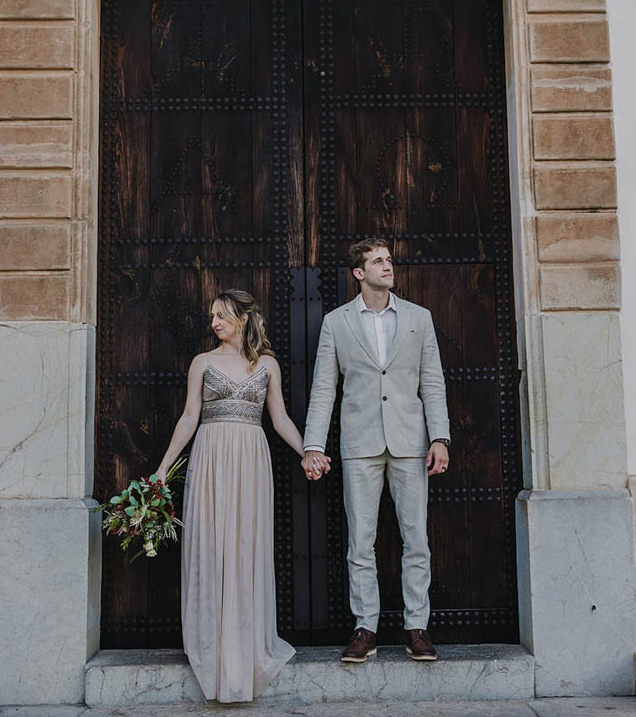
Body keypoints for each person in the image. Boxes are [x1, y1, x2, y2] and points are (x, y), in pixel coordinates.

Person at [153, 289, 328, 702]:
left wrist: (309, 452)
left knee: (245, 549)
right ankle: (213, 649)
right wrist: (162, 469)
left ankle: (246, 649)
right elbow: (190, 416)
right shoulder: (202, 362)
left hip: (251, 458)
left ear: (244, 319)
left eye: (223, 315)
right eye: (212, 316)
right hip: (211, 458)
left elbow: (279, 417)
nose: (215, 322)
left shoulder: (266, 364)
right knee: (212, 547)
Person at [302, 238, 451, 664]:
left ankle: (416, 628)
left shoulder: (419, 319)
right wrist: (314, 445)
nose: (388, 266)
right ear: (358, 273)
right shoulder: (337, 323)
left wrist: (439, 437)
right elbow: (324, 388)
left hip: (410, 442)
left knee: (415, 539)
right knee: (360, 543)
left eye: (389, 260)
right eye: (378, 261)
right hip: (360, 443)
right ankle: (364, 627)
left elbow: (433, 382)